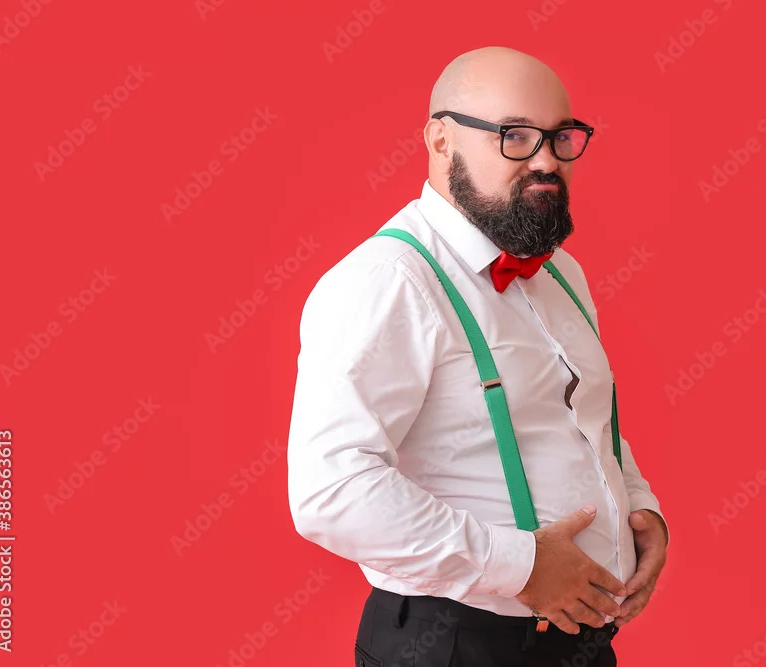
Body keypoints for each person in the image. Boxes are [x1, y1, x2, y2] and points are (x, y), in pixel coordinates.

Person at [286, 45, 668, 667]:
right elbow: (332, 491)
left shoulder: (562, 274)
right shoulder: (388, 281)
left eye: (560, 137)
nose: (546, 161)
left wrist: (637, 505)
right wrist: (522, 565)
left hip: (579, 643)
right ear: (441, 141)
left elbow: (581, 422)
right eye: (514, 136)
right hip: (452, 645)